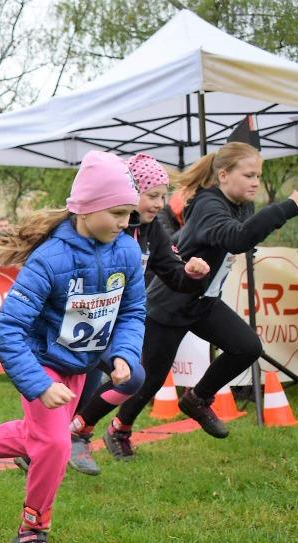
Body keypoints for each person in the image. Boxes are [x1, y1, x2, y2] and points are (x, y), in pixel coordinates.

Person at [0, 151, 146, 543]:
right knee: (55, 444)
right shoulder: (50, 259)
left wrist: (123, 353)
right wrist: (40, 383)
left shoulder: (125, 252)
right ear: (87, 208)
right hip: (44, 361)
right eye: (118, 212)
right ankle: (32, 530)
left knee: (46, 437)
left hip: (83, 362)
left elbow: (132, 310)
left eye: (129, 213)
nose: (126, 222)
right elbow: (8, 330)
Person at [99, 142, 298, 453]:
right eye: (248, 175)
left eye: (258, 175)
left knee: (247, 347)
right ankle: (118, 430)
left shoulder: (240, 205)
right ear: (223, 175)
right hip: (170, 303)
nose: (255, 182)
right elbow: (237, 238)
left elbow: (238, 239)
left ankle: (197, 399)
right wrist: (286, 207)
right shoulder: (209, 204)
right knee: (150, 378)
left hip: (203, 301)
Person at [65, 153, 211, 468]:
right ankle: (34, 446)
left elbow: (173, 273)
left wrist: (191, 274)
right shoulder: (107, 225)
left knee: (130, 378)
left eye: (163, 196)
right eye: (152, 195)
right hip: (79, 320)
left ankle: (74, 435)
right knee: (73, 396)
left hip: (114, 324)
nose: (160, 204)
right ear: (130, 191)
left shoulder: (152, 230)